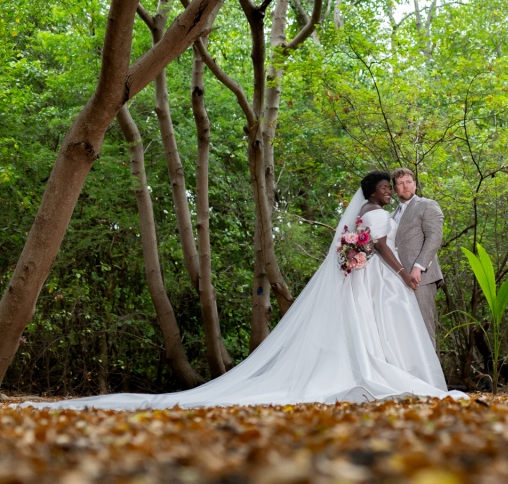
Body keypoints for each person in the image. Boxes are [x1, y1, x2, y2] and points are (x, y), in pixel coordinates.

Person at [23, 172, 464, 410]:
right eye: (388, 185)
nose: (392, 190)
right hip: (379, 277)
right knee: (377, 328)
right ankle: (377, 373)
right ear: (374, 190)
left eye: (396, 185)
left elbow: (374, 243)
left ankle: (385, 369)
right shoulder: (374, 212)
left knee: (378, 328)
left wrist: (380, 260)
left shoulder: (384, 210)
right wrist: (398, 266)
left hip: (374, 279)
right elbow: (381, 246)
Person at [391, 168, 444, 348]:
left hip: (422, 277)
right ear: (395, 188)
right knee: (405, 332)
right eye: (400, 183)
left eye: (408, 182)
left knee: (425, 330)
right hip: (397, 279)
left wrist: (418, 266)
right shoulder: (392, 215)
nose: (405, 186)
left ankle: (432, 376)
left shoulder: (427, 205)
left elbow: (434, 237)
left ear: (414, 184)